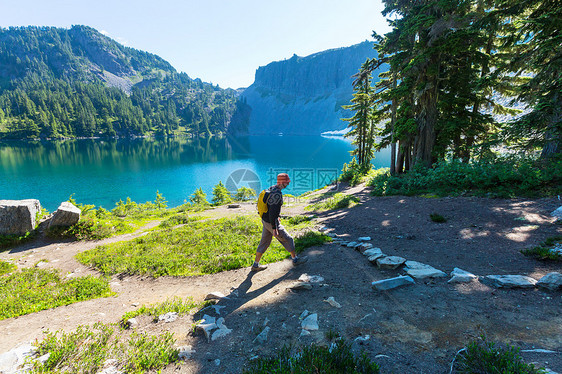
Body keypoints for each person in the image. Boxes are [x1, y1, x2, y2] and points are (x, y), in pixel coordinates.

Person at [251, 173, 307, 272]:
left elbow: (270, 207)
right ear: (281, 182)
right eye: (286, 182)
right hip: (271, 222)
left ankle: (255, 265)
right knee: (289, 239)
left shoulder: (272, 188)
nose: (288, 184)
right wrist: (274, 228)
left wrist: (277, 217)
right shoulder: (277, 194)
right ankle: (295, 260)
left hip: (265, 220)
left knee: (264, 242)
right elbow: (273, 212)